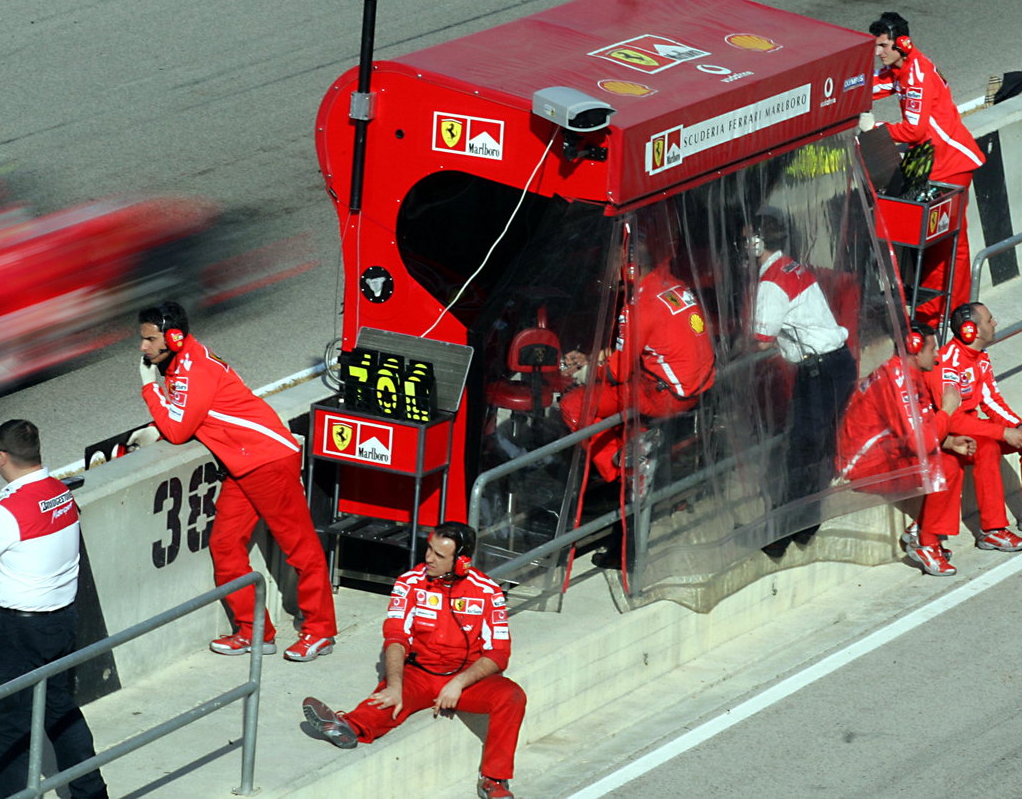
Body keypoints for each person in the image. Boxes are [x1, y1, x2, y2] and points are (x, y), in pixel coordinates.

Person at [136, 301, 337, 661]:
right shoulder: (183, 363)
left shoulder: (192, 369)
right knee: (225, 546)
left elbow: (179, 431)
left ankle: (320, 631)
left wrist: (149, 389)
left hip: (269, 462)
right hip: (243, 465)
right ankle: (254, 631)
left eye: (150, 339)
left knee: (300, 548)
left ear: (174, 337)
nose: (143, 347)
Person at [302, 522, 525, 799]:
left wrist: (458, 683)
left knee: (512, 696)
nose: (429, 558)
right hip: (418, 673)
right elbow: (395, 637)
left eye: (439, 555)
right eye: (429, 549)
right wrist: (394, 684)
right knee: (389, 697)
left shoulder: (488, 592)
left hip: (465, 680)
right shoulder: (409, 582)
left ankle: (494, 779)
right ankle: (348, 726)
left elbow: (499, 654)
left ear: (461, 562)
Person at [0, 420, 108, 799]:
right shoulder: (61, 492)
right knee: (59, 709)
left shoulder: (8, 510)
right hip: (61, 620)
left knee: (7, 723)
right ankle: (91, 792)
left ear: (2, 456)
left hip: (18, 631)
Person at [559, 237, 716, 484]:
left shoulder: (638, 306)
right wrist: (594, 359)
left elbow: (617, 373)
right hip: (693, 387)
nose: (606, 271)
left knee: (573, 403)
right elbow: (653, 347)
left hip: (665, 396)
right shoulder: (674, 285)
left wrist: (584, 372)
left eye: (611, 263)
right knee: (626, 391)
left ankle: (624, 469)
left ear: (628, 267)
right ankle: (639, 443)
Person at [862, 12, 984, 326]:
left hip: (950, 164)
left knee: (945, 242)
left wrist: (878, 129)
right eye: (876, 46)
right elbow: (868, 87)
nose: (879, 52)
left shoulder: (916, 75)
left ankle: (948, 311)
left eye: (884, 45)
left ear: (903, 42)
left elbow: (914, 131)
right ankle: (942, 308)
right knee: (941, 239)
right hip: (934, 163)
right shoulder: (900, 68)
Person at [749, 209, 858, 557]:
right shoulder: (792, 266)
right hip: (836, 365)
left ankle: (782, 533)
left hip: (820, 371)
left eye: (745, 239)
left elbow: (763, 339)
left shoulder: (771, 282)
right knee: (818, 449)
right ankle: (805, 526)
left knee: (802, 454)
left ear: (756, 243)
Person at [834, 323, 975, 576]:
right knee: (942, 467)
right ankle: (926, 542)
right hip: (862, 466)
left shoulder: (904, 374)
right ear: (914, 349)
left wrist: (949, 442)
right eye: (933, 349)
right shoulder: (900, 381)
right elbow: (918, 442)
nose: (938, 355)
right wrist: (948, 410)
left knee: (951, 458)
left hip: (884, 453)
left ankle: (921, 529)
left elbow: (915, 430)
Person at [934, 303, 1022, 549]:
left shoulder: (980, 357)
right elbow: (951, 420)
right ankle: (993, 530)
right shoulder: (949, 363)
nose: (995, 323)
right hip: (948, 439)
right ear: (970, 330)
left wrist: (1018, 425)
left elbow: (991, 400)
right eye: (989, 320)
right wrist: (1002, 432)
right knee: (986, 448)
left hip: (973, 428)